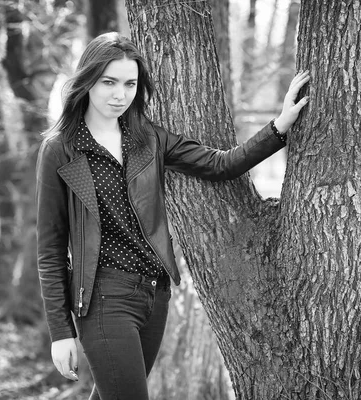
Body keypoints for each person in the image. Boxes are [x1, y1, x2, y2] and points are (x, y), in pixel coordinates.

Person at [36, 31, 310, 400]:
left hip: (154, 295)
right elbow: (50, 248)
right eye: (109, 82)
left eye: (130, 84)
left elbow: (220, 164)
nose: (120, 94)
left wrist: (279, 127)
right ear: (87, 81)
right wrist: (60, 332)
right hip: (104, 297)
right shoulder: (61, 150)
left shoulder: (147, 138)